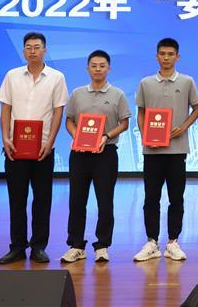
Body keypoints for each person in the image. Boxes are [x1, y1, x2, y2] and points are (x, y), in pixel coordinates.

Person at [0, 32, 69, 265]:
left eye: (37, 47)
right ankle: (17, 247)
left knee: (42, 199)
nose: (32, 51)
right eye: (28, 47)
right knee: (16, 200)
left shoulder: (57, 77)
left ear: (45, 50)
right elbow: (6, 109)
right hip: (15, 149)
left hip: (43, 150)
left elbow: (58, 112)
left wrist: (51, 142)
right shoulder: (12, 75)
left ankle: (39, 246)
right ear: (23, 50)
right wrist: (5, 138)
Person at [132, 38, 198, 262]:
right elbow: (141, 113)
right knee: (151, 198)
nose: (166, 58)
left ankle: (173, 241)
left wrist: (183, 127)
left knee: (176, 197)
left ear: (177, 57)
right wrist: (145, 135)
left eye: (171, 54)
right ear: (157, 56)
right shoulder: (146, 83)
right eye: (162, 54)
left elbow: (197, 109)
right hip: (152, 151)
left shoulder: (187, 81)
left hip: (177, 150)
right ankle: (152, 242)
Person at [60, 50, 131, 264]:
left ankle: (102, 246)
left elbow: (124, 123)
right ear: (87, 68)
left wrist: (105, 136)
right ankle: (76, 245)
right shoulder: (77, 93)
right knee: (76, 200)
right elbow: (69, 120)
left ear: (109, 69)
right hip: (80, 154)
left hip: (106, 153)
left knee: (105, 201)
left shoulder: (118, 94)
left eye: (102, 66)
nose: (98, 69)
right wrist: (77, 136)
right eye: (94, 65)